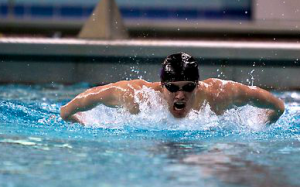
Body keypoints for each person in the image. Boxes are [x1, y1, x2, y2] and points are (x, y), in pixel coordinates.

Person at [60, 52, 285, 124]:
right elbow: (70, 108)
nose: (180, 94)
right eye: (172, 87)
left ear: (197, 85)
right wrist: (78, 121)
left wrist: (264, 121)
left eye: (188, 87)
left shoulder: (219, 94)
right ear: (161, 86)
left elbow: (278, 106)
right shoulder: (137, 96)